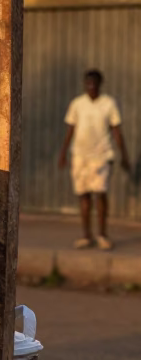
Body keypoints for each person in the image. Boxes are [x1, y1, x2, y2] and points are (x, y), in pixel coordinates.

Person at [58, 69, 130, 250]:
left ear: (100, 84)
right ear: (84, 84)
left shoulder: (108, 104)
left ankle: (102, 235)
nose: (91, 86)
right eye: (88, 83)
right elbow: (70, 130)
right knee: (83, 195)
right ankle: (86, 236)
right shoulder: (77, 104)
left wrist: (124, 155)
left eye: (94, 83)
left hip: (102, 156)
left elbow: (116, 131)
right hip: (80, 156)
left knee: (100, 193)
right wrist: (63, 153)